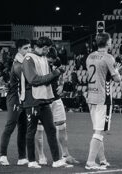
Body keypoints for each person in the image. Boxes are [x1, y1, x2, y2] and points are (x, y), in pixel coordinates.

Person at [20, 36, 71, 169]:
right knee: (31, 131)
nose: (47, 51)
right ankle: (31, 160)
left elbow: (46, 79)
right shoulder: (28, 59)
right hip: (32, 100)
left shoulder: (43, 58)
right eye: (45, 48)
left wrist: (57, 75)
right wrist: (55, 73)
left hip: (44, 99)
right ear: (38, 46)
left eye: (48, 48)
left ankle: (56, 160)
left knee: (51, 129)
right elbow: (33, 80)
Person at [84, 32, 122, 170]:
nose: (111, 42)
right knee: (99, 132)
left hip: (91, 96)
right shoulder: (108, 57)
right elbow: (117, 79)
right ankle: (90, 162)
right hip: (102, 98)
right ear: (107, 43)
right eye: (110, 40)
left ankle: (103, 160)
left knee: (97, 130)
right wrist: (117, 71)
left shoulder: (89, 56)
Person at [0, 39, 31, 166]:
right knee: (10, 127)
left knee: (22, 129)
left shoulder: (24, 61)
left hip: (23, 99)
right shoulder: (18, 64)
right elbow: (28, 77)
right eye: (25, 48)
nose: (28, 50)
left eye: (29, 47)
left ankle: (22, 157)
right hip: (15, 99)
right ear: (19, 49)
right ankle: (2, 155)